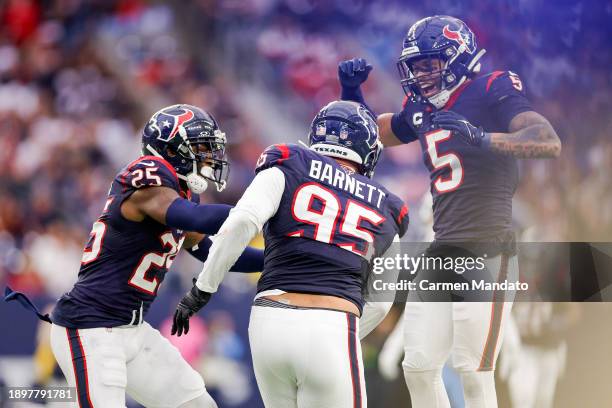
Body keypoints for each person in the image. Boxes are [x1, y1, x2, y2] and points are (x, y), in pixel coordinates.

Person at [338, 15, 561, 408]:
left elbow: (546, 141)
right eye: (416, 65)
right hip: (441, 249)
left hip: (488, 248)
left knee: (473, 371)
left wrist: (481, 137)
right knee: (418, 367)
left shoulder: (492, 88)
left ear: (457, 58)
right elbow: (375, 133)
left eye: (429, 64)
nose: (420, 74)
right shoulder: (421, 108)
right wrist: (352, 94)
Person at [171, 100, 409, 408]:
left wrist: (203, 288)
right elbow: (381, 302)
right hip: (330, 322)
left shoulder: (287, 162)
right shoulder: (387, 204)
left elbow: (241, 222)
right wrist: (343, 337)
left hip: (267, 322)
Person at [47, 104, 263, 408]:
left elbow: (211, 251)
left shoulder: (183, 194)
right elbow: (195, 219)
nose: (209, 155)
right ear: (171, 148)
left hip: (132, 329)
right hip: (90, 326)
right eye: (201, 147)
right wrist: (261, 212)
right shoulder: (146, 174)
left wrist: (275, 259)